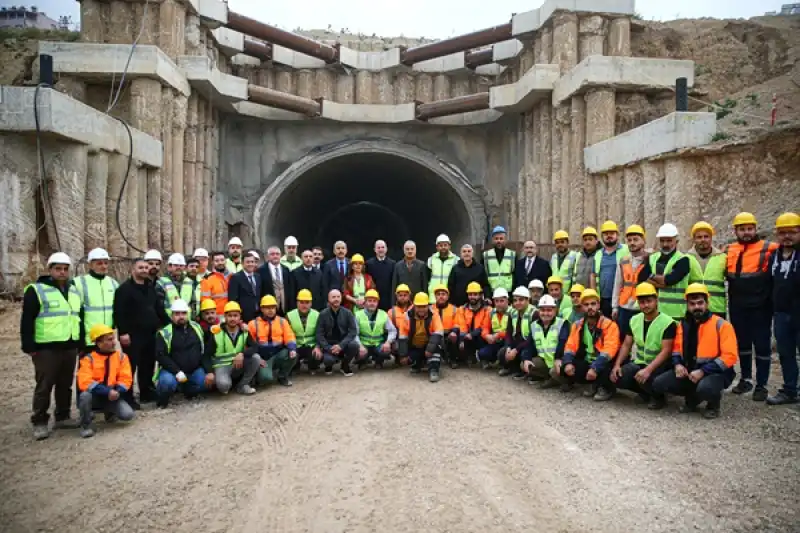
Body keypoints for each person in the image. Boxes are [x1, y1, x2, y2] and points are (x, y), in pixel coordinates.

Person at [21, 252, 84, 440]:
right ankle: (40, 420)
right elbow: (27, 320)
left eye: (65, 269)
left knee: (65, 384)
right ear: (50, 270)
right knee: (44, 385)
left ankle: (63, 416)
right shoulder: (36, 290)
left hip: (69, 344)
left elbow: (77, 317)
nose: (62, 272)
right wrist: (29, 345)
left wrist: (79, 342)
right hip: (46, 347)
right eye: (58, 269)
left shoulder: (73, 291)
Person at [652, 284, 738, 419]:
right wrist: (678, 364)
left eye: (700, 303)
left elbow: (730, 356)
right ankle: (693, 398)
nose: (696, 307)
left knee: (706, 388)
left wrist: (703, 371)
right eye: (692, 304)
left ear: (707, 303)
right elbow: (676, 348)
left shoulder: (722, 325)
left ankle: (713, 405)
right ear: (687, 305)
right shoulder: (683, 324)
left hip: (715, 373)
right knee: (659, 383)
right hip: (690, 371)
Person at [726, 212, 779, 401]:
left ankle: (762, 385)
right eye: (742, 229)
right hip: (738, 305)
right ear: (736, 231)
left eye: (749, 229)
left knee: (762, 345)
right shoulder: (729, 250)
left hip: (761, 306)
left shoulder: (769, 247)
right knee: (743, 344)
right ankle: (746, 379)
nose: (746, 232)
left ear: (755, 229)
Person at [610, 283, 678, 408]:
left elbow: (666, 351)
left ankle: (658, 397)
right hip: (641, 362)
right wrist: (617, 365)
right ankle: (645, 392)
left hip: (661, 366)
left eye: (649, 301)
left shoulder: (668, 323)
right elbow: (626, 345)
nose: (645, 305)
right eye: (642, 302)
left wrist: (648, 370)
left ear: (656, 300)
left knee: (652, 380)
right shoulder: (634, 320)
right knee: (618, 377)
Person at [114, 258, 169, 408]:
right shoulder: (124, 289)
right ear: (133, 270)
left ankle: (146, 391)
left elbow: (158, 308)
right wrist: (123, 332)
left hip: (150, 333)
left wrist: (169, 323)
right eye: (141, 268)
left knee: (148, 364)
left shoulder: (150, 287)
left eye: (146, 267)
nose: (144, 270)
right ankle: (128, 396)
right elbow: (119, 312)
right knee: (130, 366)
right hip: (132, 335)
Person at [76, 324, 135, 438]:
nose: (114, 342)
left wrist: (117, 391)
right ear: (99, 343)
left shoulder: (121, 357)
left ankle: (109, 413)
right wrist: (107, 392)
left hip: (112, 396)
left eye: (113, 339)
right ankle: (86, 425)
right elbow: (84, 382)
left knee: (127, 414)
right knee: (84, 396)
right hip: (95, 396)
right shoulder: (88, 359)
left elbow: (126, 379)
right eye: (109, 340)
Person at [561, 289, 620, 398]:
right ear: (582, 307)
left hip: (604, 362)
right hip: (588, 361)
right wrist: (568, 363)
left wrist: (595, 368)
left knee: (606, 366)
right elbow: (570, 346)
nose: (590, 307)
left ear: (598, 305)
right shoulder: (577, 325)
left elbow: (609, 350)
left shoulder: (610, 325)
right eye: (586, 304)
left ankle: (606, 388)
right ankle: (593, 384)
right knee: (565, 365)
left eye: (593, 304)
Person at [766, 212, 800, 406]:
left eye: (792, 232)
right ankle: (790, 390)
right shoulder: (774, 257)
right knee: (786, 354)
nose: (787, 236)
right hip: (781, 314)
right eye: (783, 232)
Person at [154, 299, 212, 408]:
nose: (181, 316)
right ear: (172, 315)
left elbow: (206, 345)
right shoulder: (164, 333)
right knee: (167, 383)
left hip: (193, 370)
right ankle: (162, 399)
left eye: (183, 313)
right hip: (172, 372)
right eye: (177, 314)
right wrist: (177, 372)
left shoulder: (196, 327)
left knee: (206, 383)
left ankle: (186, 390)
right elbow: (161, 356)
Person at [637, 223, 692, 321]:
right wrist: (660, 283)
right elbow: (641, 278)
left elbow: (669, 280)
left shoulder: (683, 260)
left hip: (675, 313)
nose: (665, 244)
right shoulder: (653, 257)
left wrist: (651, 276)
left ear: (676, 241)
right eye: (662, 241)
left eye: (669, 240)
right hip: (654, 312)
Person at [207, 302, 261, 395]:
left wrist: (242, 354)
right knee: (224, 386)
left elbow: (255, 347)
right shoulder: (217, 332)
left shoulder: (244, 331)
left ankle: (242, 386)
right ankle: (225, 382)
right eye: (230, 316)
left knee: (256, 358)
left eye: (235, 315)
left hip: (238, 363)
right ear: (225, 317)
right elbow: (206, 355)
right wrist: (210, 372)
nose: (232, 318)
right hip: (222, 366)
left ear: (240, 317)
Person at [521, 295, 570, 388]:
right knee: (524, 364)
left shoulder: (562, 323)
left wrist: (558, 358)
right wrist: (526, 359)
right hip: (545, 361)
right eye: (542, 310)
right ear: (539, 311)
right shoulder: (534, 325)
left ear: (555, 311)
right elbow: (529, 345)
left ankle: (564, 381)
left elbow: (563, 343)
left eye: (549, 310)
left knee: (556, 371)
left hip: (560, 360)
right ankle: (550, 378)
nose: (545, 313)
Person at [75, 248, 118, 352]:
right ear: (90, 265)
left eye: (106, 263)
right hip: (89, 339)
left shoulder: (113, 283)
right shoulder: (78, 283)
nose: (104, 266)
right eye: (99, 263)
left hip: (108, 339)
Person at [249, 295, 297, 387]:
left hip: (277, 354)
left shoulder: (282, 321)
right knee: (265, 379)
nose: (271, 310)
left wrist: (292, 349)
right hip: (263, 358)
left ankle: (282, 377)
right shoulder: (253, 324)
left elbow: (290, 336)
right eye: (267, 308)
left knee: (293, 354)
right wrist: (258, 359)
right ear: (261, 309)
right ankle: (257, 376)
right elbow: (249, 345)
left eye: (273, 307)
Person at [397, 292, 444, 382]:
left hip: (429, 344)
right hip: (415, 345)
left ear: (428, 306)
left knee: (435, 349)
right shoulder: (407, 316)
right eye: (419, 307)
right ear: (414, 306)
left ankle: (434, 370)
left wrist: (430, 348)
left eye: (424, 306)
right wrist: (403, 355)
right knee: (409, 360)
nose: (421, 309)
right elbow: (403, 336)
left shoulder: (434, 314)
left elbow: (438, 332)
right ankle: (418, 364)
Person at [685, 222, 727, 319]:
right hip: (694, 309)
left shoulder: (722, 257)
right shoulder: (686, 258)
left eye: (706, 236)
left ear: (711, 238)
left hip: (717, 308)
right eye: (699, 237)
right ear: (694, 239)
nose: (703, 240)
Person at [612, 225, 648, 335]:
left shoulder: (650, 259)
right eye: (629, 240)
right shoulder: (623, 260)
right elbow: (617, 284)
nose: (632, 243)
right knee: (623, 337)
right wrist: (615, 307)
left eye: (636, 240)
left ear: (643, 241)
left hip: (642, 307)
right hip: (624, 307)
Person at [316, 289, 360, 376]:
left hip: (343, 343)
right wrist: (328, 348)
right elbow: (319, 334)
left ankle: (344, 365)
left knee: (354, 345)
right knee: (328, 360)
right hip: (329, 345)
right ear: (329, 299)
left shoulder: (348, 313)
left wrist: (341, 345)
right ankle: (329, 366)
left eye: (338, 297)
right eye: (333, 297)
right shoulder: (323, 314)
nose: (336, 299)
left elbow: (353, 331)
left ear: (341, 299)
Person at [590, 220, 629, 318]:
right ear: (602, 237)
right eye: (606, 234)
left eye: (612, 233)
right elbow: (593, 276)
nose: (609, 236)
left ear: (617, 235)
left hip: (622, 297)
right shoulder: (598, 254)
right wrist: (594, 296)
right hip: (604, 299)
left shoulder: (626, 249)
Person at [498, 286, 535, 379]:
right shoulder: (513, 313)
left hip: (529, 344)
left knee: (524, 353)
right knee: (502, 353)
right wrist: (508, 347)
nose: (517, 303)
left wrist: (516, 349)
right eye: (515, 300)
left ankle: (524, 372)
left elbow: (532, 338)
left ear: (528, 300)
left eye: (521, 300)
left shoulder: (534, 313)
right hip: (517, 342)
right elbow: (508, 332)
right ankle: (511, 369)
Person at [355, 289, 397, 369]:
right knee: (356, 350)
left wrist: (388, 342)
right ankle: (362, 362)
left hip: (378, 344)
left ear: (377, 303)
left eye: (374, 301)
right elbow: (354, 334)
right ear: (365, 302)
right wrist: (360, 346)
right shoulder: (358, 315)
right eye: (369, 301)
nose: (372, 303)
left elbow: (392, 330)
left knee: (386, 351)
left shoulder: (383, 314)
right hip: (363, 344)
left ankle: (379, 361)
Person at [286, 289, 322, 374]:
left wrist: (318, 347)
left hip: (311, 345)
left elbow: (320, 334)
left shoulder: (317, 315)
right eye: (301, 302)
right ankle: (295, 366)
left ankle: (313, 367)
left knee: (317, 355)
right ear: (297, 303)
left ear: (311, 303)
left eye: (307, 302)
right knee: (289, 356)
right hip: (295, 346)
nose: (304, 305)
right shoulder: (289, 315)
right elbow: (287, 335)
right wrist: (291, 349)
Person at [456, 281, 491, 366]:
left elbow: (485, 326)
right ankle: (469, 356)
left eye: (475, 294)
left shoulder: (488, 309)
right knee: (456, 336)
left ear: (480, 295)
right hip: (467, 337)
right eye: (470, 294)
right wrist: (461, 340)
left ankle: (484, 358)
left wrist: (472, 334)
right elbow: (462, 326)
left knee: (483, 335)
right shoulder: (462, 309)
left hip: (481, 337)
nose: (472, 297)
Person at [159, 253, 200, 318]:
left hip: (187, 320)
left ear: (184, 267)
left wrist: (192, 318)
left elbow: (193, 303)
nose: (179, 267)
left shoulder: (188, 282)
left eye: (181, 265)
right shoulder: (161, 282)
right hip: (168, 321)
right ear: (169, 267)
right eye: (176, 265)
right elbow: (159, 306)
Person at [476, 288, 510, 369]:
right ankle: (491, 360)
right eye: (496, 301)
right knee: (482, 353)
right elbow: (485, 328)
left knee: (504, 351)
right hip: (495, 341)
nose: (499, 304)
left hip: (508, 341)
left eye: (502, 301)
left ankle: (506, 366)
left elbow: (513, 332)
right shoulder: (491, 313)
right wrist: (487, 336)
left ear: (507, 301)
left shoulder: (513, 312)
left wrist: (499, 335)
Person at [259, 246, 295, 315]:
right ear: (268, 256)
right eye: (272, 254)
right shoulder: (261, 271)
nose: (275, 256)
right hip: (269, 309)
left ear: (280, 255)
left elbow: (290, 290)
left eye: (277, 254)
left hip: (285, 309)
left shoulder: (286, 270)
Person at [431, 284, 460, 368]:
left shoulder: (454, 309)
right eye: (438, 294)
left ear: (447, 297)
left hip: (449, 334)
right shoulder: (430, 309)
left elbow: (457, 323)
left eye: (443, 294)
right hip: (434, 334)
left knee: (455, 336)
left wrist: (454, 332)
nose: (441, 296)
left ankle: (453, 359)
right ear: (435, 297)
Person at [228, 253, 262, 322]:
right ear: (242, 264)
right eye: (248, 262)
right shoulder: (235, 278)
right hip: (244, 317)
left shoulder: (258, 276)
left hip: (259, 316)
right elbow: (233, 300)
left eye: (252, 262)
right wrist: (239, 318)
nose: (250, 264)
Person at [483, 226, 516, 293]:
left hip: (508, 292)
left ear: (505, 240)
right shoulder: (486, 255)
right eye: (496, 238)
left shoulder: (512, 254)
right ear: (492, 240)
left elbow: (515, 275)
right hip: (492, 292)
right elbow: (484, 276)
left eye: (501, 238)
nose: (499, 241)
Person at [366, 240, 396, 311]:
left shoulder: (393, 264)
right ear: (374, 249)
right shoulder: (369, 264)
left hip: (388, 299)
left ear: (386, 249)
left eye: (382, 247)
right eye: (378, 248)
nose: (381, 250)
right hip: (373, 299)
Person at [427, 234, 459, 300]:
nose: (443, 247)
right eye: (440, 245)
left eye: (445, 245)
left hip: (449, 297)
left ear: (449, 246)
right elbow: (426, 279)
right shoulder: (431, 260)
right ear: (437, 247)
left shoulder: (456, 260)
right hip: (433, 297)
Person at [200, 251, 231, 316]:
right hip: (217, 317)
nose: (220, 262)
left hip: (232, 315)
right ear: (212, 263)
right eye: (217, 261)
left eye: (222, 260)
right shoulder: (207, 279)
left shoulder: (232, 277)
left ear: (226, 261)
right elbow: (205, 302)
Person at [388, 284, 412, 364]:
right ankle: (399, 356)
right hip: (398, 338)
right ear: (396, 296)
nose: (402, 297)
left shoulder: (415, 309)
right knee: (395, 346)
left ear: (409, 296)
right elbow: (388, 330)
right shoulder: (391, 312)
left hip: (412, 337)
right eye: (400, 295)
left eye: (405, 295)